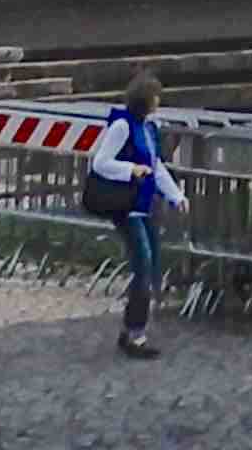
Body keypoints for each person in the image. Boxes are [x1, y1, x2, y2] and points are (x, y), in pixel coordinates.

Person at [83, 68, 187, 358]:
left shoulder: (148, 129)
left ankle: (133, 328)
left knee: (150, 265)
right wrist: (130, 170)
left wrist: (175, 194)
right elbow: (101, 162)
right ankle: (134, 333)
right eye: (155, 97)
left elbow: (156, 166)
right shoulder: (123, 126)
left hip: (144, 205)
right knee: (142, 264)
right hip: (126, 206)